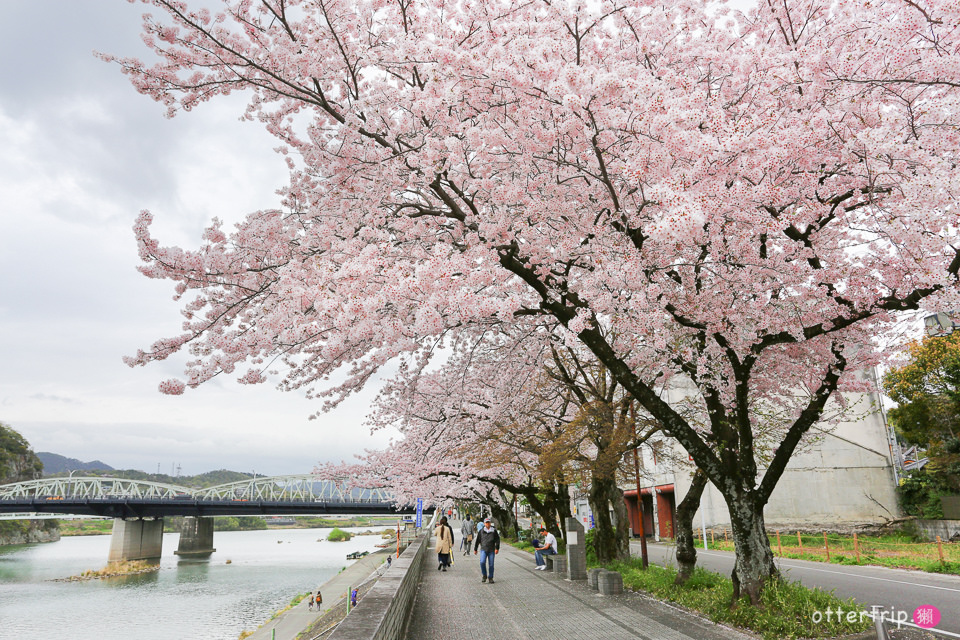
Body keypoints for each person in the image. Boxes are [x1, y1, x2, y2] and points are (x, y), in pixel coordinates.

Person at [473, 517, 500, 583]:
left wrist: (497, 548)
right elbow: (477, 540)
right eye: (486, 523)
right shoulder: (481, 531)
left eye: (488, 522)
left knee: (491, 564)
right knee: (482, 562)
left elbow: (497, 539)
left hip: (491, 550)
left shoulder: (493, 530)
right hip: (483, 549)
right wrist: (475, 549)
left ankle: (490, 577)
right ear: (484, 524)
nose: (487, 524)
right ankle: (484, 575)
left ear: (490, 523)